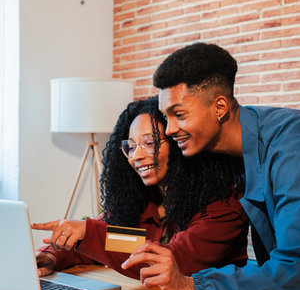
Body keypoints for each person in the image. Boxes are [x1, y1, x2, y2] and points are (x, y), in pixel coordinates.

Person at [122, 42, 300, 290]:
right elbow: (128, 233)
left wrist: (89, 235)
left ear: (219, 107)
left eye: (179, 115)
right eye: (130, 146)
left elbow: (294, 271)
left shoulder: (286, 151)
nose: (168, 131)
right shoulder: (210, 159)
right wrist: (68, 246)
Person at [33, 96, 248, 280]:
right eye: (131, 146)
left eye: (150, 143)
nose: (137, 156)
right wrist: (51, 255)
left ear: (177, 142)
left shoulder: (224, 203)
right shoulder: (143, 201)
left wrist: (88, 233)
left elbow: (172, 260)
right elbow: (120, 241)